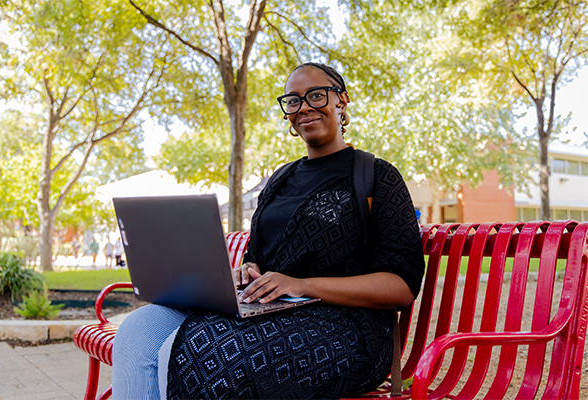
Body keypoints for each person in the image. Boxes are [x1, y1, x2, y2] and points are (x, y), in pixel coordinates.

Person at [112, 62, 425, 399]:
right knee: (138, 329)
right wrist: (249, 271)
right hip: (269, 312)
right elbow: (257, 255)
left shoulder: (375, 175)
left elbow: (401, 285)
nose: (304, 107)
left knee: (212, 351)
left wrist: (302, 284)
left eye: (316, 96)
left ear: (341, 101)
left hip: (347, 331)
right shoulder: (279, 181)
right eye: (293, 100)